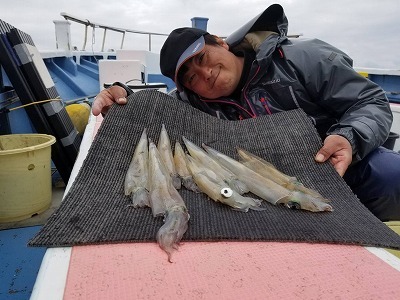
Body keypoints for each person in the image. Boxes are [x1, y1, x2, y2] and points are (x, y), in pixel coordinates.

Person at [92, 4, 400, 221]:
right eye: (190, 77)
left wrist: (349, 138)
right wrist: (124, 96)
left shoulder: (302, 58)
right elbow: (159, 109)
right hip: (266, 185)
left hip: (335, 164)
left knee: (388, 173)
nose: (205, 74)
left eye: (202, 58)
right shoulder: (193, 103)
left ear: (220, 42)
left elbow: (370, 102)